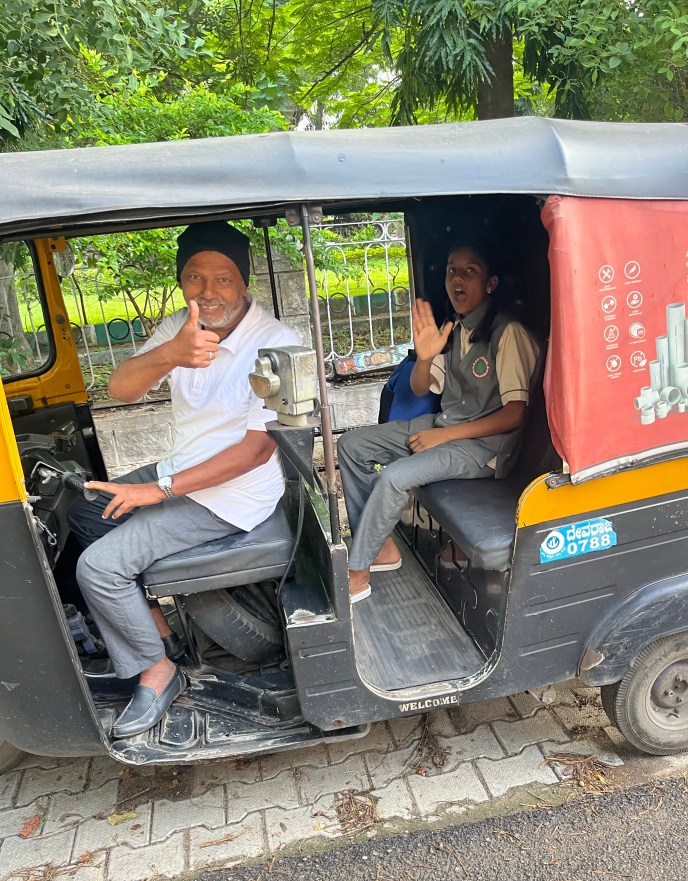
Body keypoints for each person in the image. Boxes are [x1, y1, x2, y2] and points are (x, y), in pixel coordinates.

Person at [67, 221, 300, 738]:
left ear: (244, 282)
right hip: (183, 469)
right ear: (180, 281)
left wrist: (158, 491)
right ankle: (156, 632)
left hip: (233, 494)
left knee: (99, 568)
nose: (208, 291)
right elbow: (121, 389)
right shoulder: (181, 326)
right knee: (86, 511)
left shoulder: (275, 343)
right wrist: (170, 354)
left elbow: (257, 450)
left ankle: (158, 672)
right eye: (195, 277)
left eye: (223, 278)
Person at [338, 241, 539, 603]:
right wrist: (424, 358)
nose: (457, 279)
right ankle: (378, 547)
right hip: (445, 425)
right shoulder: (455, 329)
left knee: (393, 478)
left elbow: (515, 413)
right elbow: (420, 387)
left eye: (470, 271)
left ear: (490, 283)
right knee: (351, 445)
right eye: (451, 271)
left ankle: (358, 570)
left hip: (483, 449)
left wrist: (444, 437)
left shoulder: (507, 333)